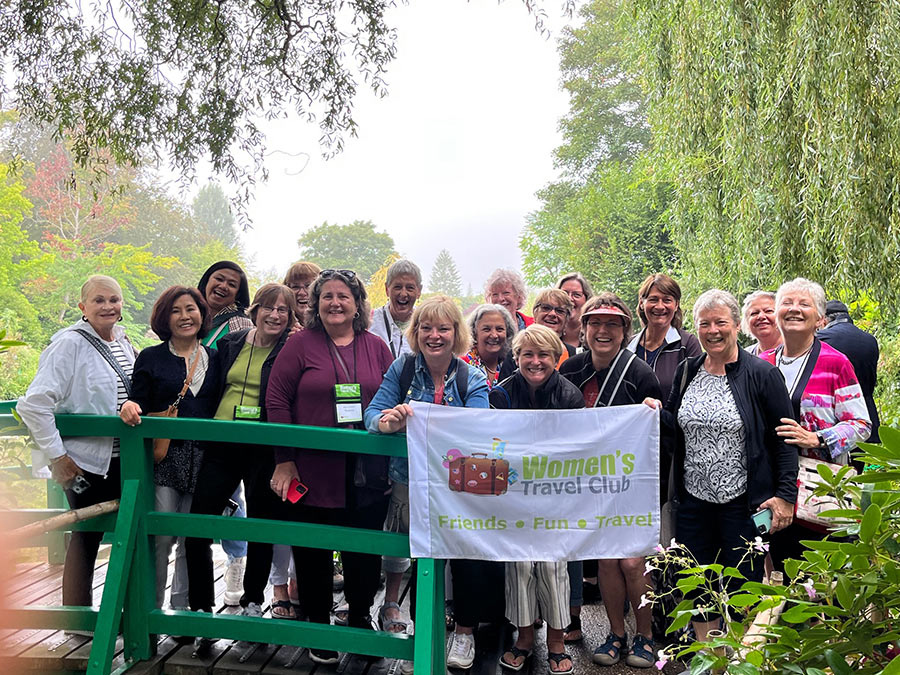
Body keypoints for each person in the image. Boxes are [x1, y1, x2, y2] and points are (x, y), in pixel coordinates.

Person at [645, 289, 797, 649]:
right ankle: (711, 661)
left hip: (745, 503)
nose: (712, 330)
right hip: (694, 502)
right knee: (697, 583)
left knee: (744, 584)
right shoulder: (687, 371)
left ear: (736, 326)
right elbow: (675, 424)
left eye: (720, 322)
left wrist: (785, 496)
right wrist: (653, 412)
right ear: (696, 328)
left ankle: (741, 661)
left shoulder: (762, 374)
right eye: (704, 324)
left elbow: (784, 438)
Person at [266, 269, 394, 665]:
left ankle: (359, 618)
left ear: (357, 304)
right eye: (327, 296)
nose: (335, 303)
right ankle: (319, 622)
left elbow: (392, 397)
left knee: (364, 549)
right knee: (312, 549)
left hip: (368, 469)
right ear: (316, 304)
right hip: (312, 467)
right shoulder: (299, 345)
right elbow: (276, 401)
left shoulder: (376, 347)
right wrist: (284, 460)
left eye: (343, 296)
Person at [365, 295, 490, 674]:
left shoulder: (473, 377)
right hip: (412, 482)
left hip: (461, 487)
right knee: (422, 558)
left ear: (457, 333)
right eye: (426, 328)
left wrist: (428, 420)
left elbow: (480, 426)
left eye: (443, 328)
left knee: (465, 560)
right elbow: (374, 412)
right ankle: (424, 638)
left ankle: (465, 633)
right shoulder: (401, 370)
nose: (434, 336)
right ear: (415, 332)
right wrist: (388, 423)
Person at [184, 284, 298, 652]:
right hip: (222, 442)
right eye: (269, 307)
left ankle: (252, 603)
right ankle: (201, 609)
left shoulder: (290, 350)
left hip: (264, 447)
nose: (276, 315)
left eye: (284, 309)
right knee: (199, 524)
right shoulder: (231, 344)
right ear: (255, 309)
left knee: (262, 523)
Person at [18, 275, 137, 611]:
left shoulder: (123, 342)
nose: (107, 306)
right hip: (86, 462)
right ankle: (77, 619)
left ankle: (124, 615)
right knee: (87, 536)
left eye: (113, 299)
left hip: (123, 459)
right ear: (83, 306)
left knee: (128, 533)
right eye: (98, 300)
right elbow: (34, 404)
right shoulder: (69, 345)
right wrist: (58, 457)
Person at [559, 293, 663, 668]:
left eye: (612, 324)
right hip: (587, 484)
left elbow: (659, 435)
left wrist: (653, 413)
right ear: (584, 329)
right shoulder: (570, 370)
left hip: (630, 483)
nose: (603, 331)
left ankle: (645, 636)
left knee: (633, 562)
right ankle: (616, 632)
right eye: (595, 323)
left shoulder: (639, 374)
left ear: (624, 331)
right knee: (605, 560)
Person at [119, 286, 221, 610]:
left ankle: (181, 612)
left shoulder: (215, 357)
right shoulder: (151, 356)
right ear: (165, 317)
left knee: (191, 539)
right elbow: (138, 396)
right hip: (165, 458)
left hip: (205, 459)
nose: (184, 316)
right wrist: (129, 406)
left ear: (201, 313)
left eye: (190, 309)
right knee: (161, 535)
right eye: (175, 310)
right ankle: (150, 609)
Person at [490, 325, 583, 674]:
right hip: (514, 496)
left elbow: (577, 451)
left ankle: (556, 641)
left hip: (556, 495)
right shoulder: (501, 394)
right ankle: (525, 638)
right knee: (520, 566)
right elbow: (495, 445)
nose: (535, 361)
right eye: (527, 354)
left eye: (543, 354)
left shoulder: (570, 395)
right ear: (516, 358)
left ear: (556, 358)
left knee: (553, 566)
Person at [760, 279, 871, 570]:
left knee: (822, 584)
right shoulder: (761, 362)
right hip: (772, 492)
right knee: (783, 578)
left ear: (820, 319)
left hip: (818, 491)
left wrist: (818, 438)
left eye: (804, 304)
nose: (794, 309)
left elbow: (861, 424)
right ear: (775, 312)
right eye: (787, 303)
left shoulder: (835, 363)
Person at [818, 299, 880, 443]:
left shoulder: (821, 340)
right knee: (857, 464)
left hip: (834, 417)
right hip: (866, 413)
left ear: (824, 320)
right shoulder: (870, 340)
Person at [369, 259, 423, 360]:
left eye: (410, 288)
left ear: (419, 291)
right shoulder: (369, 323)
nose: (403, 294)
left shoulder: (426, 324)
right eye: (397, 287)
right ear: (387, 289)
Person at [198, 261, 253, 348]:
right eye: (219, 279)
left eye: (231, 284)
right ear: (206, 281)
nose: (223, 286)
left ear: (238, 294)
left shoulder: (241, 325)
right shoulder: (189, 313)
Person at [462, 303, 517, 390]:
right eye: (486, 329)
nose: (494, 335)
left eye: (499, 329)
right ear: (474, 332)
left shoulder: (514, 363)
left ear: (508, 332)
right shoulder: (462, 365)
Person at [532, 289, 576, 365]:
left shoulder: (574, 355)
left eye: (560, 311)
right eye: (546, 308)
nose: (552, 314)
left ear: (566, 319)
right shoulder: (518, 349)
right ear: (535, 313)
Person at [557, 272, 594, 350]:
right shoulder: (547, 333)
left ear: (587, 300)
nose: (569, 298)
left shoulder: (594, 336)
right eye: (564, 293)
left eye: (576, 295)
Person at [741, 291, 782, 356]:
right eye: (754, 313)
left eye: (768, 311)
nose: (761, 316)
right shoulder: (744, 357)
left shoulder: (798, 352)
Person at [283, 260, 322, 325]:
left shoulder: (332, 325)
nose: (302, 293)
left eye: (308, 286)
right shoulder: (279, 327)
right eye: (295, 287)